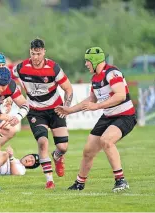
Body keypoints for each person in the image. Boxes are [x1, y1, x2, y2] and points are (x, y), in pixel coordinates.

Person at [55, 47, 137, 192]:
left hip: (125, 116)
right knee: (88, 151)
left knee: (106, 140)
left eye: (87, 61)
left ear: (94, 61)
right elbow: (91, 100)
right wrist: (70, 110)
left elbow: (120, 95)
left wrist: (98, 106)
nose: (86, 64)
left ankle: (121, 181)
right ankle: (79, 184)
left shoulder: (112, 73)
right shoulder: (95, 78)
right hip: (108, 116)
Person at [13, 38, 73, 189]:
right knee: (42, 142)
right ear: (30, 52)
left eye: (39, 54)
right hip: (35, 111)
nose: (36, 57)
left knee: (63, 147)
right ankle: (49, 181)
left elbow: (68, 89)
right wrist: (10, 96)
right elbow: (8, 79)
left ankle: (57, 156)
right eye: (33, 54)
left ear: (44, 52)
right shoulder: (21, 67)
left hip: (55, 109)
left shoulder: (54, 68)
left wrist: (66, 106)